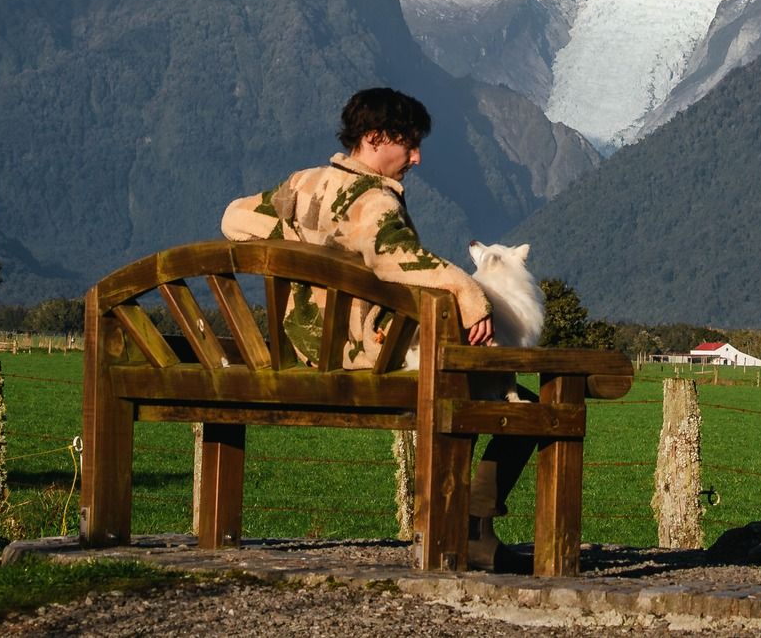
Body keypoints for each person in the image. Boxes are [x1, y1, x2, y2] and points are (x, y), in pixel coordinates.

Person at [218, 86, 529, 568]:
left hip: (302, 349)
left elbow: (233, 218)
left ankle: (471, 526)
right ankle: (472, 527)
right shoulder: (373, 203)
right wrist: (471, 294)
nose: (417, 157)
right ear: (375, 137)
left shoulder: (304, 184)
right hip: (362, 354)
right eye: (409, 143)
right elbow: (401, 258)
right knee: (524, 404)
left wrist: (298, 240)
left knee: (480, 386)